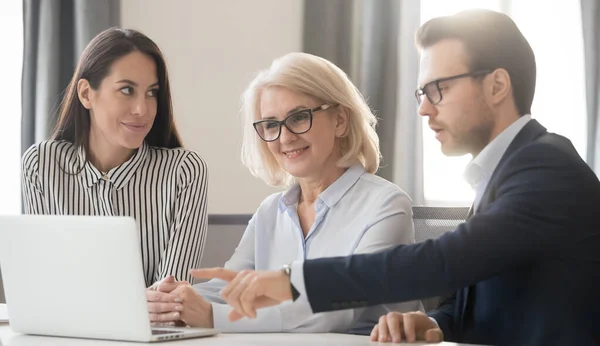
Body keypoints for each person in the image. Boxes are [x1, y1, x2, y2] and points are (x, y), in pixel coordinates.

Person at [191, 10, 600, 346]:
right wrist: (435, 325)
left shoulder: (546, 169)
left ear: (496, 85)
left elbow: (443, 262)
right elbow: (465, 304)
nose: (424, 110)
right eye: (422, 93)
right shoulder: (500, 176)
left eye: (437, 89)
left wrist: (289, 282)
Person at [145, 52, 422, 333]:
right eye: (271, 125)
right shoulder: (270, 211)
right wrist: (171, 301)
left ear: (339, 120)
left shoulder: (386, 205)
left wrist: (211, 316)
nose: (285, 137)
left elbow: (335, 312)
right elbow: (229, 288)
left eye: (299, 117)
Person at [21, 28, 209, 286]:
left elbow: (171, 298)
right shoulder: (41, 165)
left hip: (156, 329)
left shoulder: (184, 171)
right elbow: (46, 283)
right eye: (127, 90)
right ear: (87, 94)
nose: (142, 109)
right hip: (64, 328)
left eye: (152, 92)